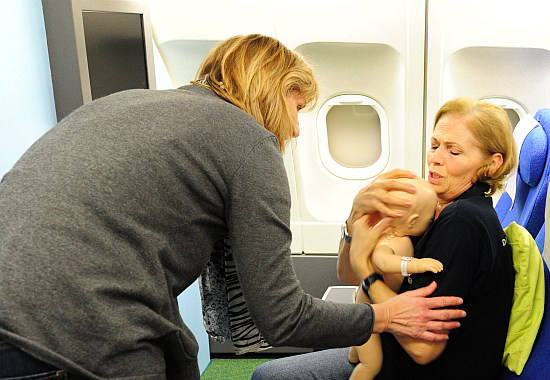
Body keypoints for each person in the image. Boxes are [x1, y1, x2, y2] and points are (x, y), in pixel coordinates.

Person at [0, 34, 465, 379]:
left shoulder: (121, 105)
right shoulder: (246, 142)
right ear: (268, 89)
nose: (297, 130)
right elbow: (282, 317)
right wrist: (384, 315)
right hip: (65, 332)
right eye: (296, 106)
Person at [252, 96, 517, 380]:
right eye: (435, 145)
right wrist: (354, 218)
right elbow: (346, 274)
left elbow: (423, 348)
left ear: (491, 164)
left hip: (411, 370)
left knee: (268, 377)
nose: (436, 158)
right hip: (386, 347)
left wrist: (367, 272)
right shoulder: (432, 207)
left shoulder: (462, 222)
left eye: (454, 152)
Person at [348, 177, 442, 380]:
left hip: (372, 306)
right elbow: (382, 261)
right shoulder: (387, 240)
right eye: (428, 221)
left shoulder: (403, 237)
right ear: (413, 221)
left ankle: (355, 351)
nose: (430, 224)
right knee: (371, 364)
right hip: (368, 314)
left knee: (362, 346)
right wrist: (416, 264)